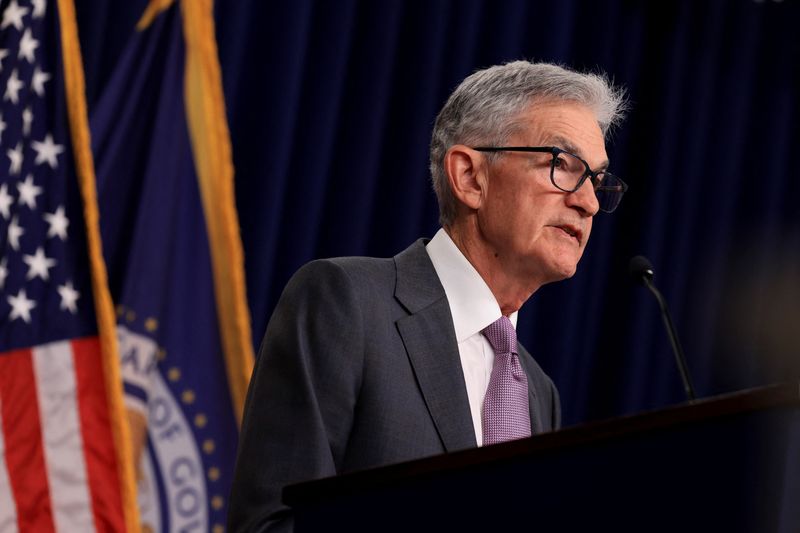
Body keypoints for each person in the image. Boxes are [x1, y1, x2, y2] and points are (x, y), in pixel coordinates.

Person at [227, 60, 628, 532]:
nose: (590, 203)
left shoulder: (540, 393)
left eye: (597, 181)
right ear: (470, 177)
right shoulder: (346, 304)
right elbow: (272, 525)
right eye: (563, 166)